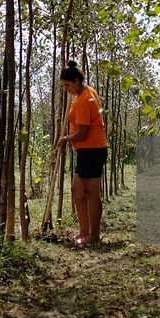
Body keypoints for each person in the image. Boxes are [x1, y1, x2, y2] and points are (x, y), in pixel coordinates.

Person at [56, 60, 108, 247]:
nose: (66, 89)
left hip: (92, 150)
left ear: (77, 81)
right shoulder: (82, 93)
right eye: (63, 86)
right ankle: (84, 231)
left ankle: (93, 236)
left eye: (68, 85)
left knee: (92, 193)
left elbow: (83, 133)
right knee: (77, 190)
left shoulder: (85, 98)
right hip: (87, 151)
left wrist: (65, 139)